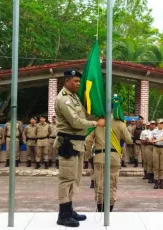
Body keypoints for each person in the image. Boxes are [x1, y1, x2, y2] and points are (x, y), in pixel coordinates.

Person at [54, 69, 105, 228]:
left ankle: (69, 209)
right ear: (67, 81)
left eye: (79, 81)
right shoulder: (64, 100)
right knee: (66, 179)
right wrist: (96, 123)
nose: (78, 84)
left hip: (77, 143)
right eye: (75, 81)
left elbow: (82, 117)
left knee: (74, 178)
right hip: (68, 144)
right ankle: (63, 214)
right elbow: (76, 122)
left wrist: (99, 115)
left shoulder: (74, 97)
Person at [85, 98, 132, 212]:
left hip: (99, 157)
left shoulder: (98, 123)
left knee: (99, 184)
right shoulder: (119, 123)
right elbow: (129, 140)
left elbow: (87, 141)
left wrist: (89, 156)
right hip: (114, 157)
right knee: (112, 184)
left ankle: (100, 209)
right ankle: (109, 211)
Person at [149, 118, 163, 189]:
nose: (161, 124)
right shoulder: (154, 131)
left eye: (162, 123)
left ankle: (161, 181)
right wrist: (151, 140)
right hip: (156, 148)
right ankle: (156, 181)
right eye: (160, 123)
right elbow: (150, 138)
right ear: (158, 124)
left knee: (162, 166)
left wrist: (157, 140)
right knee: (156, 165)